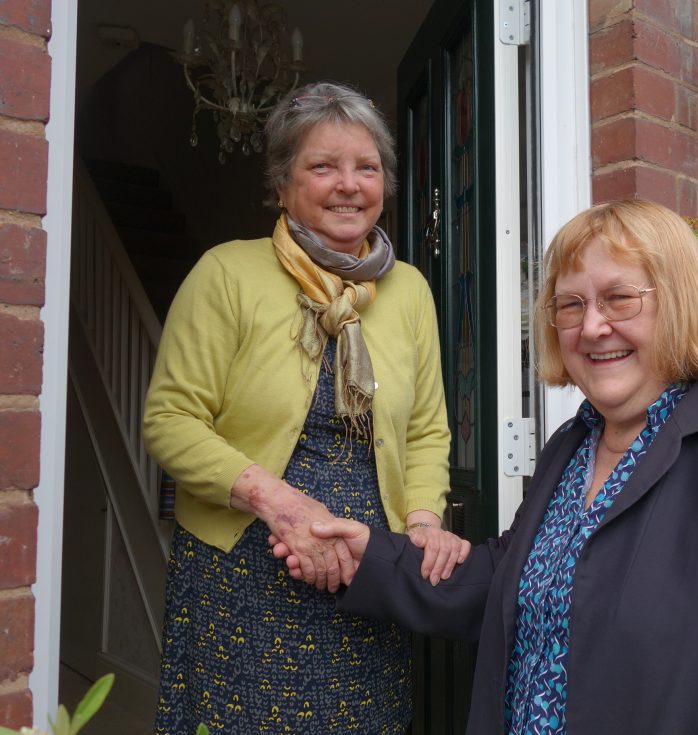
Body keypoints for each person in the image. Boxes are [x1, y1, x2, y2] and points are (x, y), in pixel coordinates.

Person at [276, 200, 698, 733]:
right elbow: (511, 584)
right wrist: (371, 558)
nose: (592, 327)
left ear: (683, 304)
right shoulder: (571, 445)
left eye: (620, 298)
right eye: (571, 304)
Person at [143, 81, 470, 735]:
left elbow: (428, 428)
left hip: (369, 575)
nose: (349, 185)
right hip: (244, 572)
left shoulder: (407, 290)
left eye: (366, 167)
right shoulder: (227, 273)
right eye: (323, 165)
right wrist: (285, 505)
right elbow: (170, 419)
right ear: (282, 184)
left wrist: (424, 520)